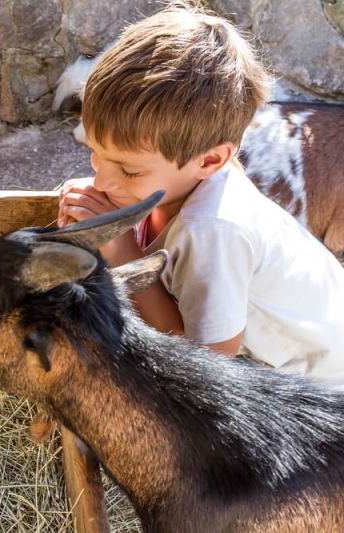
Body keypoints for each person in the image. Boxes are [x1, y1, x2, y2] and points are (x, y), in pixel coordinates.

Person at [57, 5, 344, 388]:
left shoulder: (213, 230)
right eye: (96, 152)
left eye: (129, 170)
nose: (103, 179)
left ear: (210, 160)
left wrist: (122, 252)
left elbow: (204, 374)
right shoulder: (177, 186)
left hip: (315, 400)